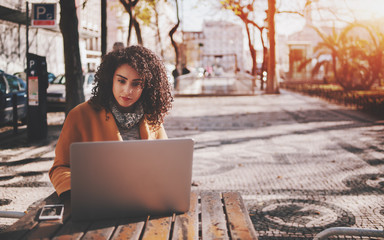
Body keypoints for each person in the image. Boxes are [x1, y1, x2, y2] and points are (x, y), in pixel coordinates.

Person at [49, 45, 173, 200]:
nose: (127, 90)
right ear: (110, 79)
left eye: (136, 84)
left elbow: (166, 165)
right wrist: (78, 192)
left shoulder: (152, 118)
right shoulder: (80, 115)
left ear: (147, 86)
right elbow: (60, 167)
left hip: (145, 201)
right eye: (121, 81)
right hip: (96, 201)